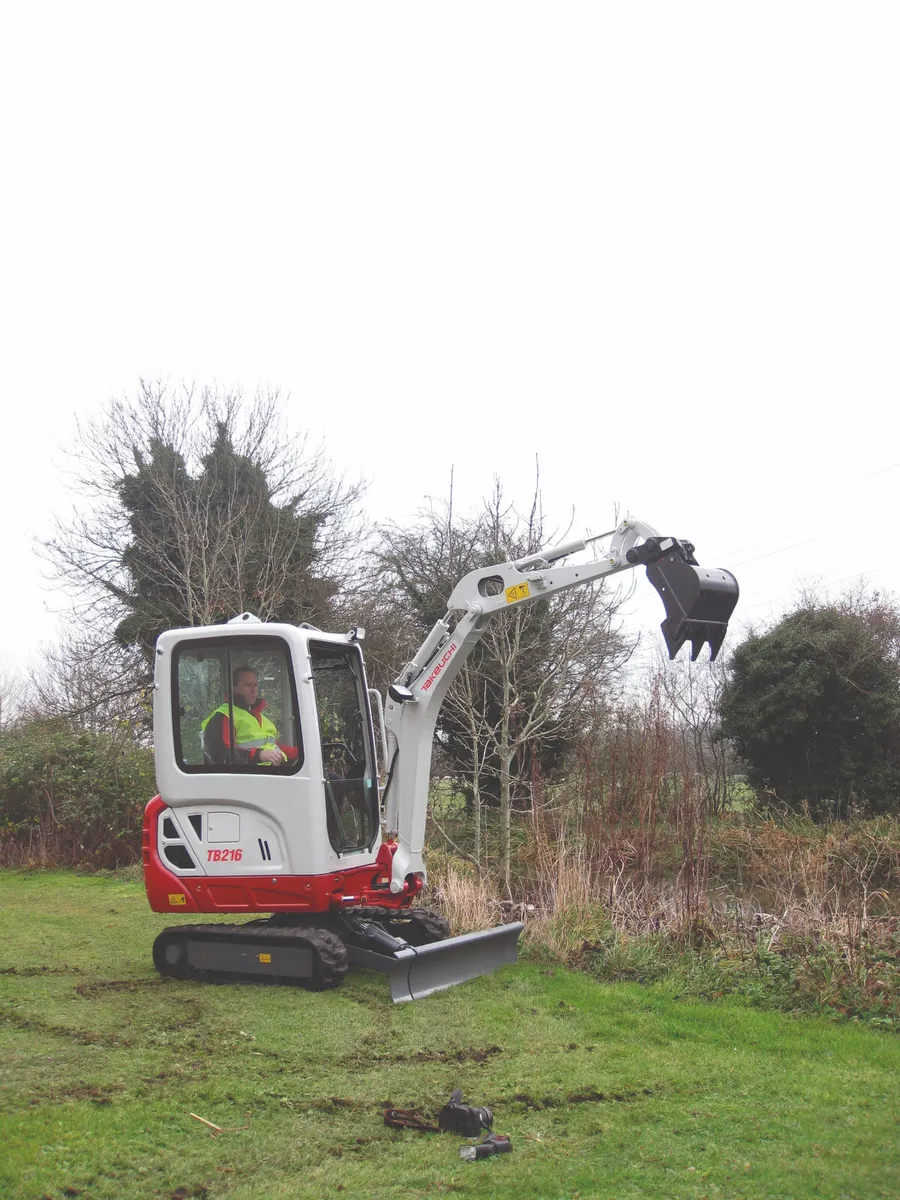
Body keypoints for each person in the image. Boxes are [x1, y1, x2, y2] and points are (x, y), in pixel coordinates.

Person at [201, 667, 294, 767]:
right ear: (234, 688)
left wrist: (302, 752)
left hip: (271, 775)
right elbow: (221, 755)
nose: (254, 690)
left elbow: (273, 747)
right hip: (244, 778)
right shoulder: (225, 715)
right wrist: (258, 755)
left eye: (255, 685)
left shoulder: (259, 717)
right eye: (248, 685)